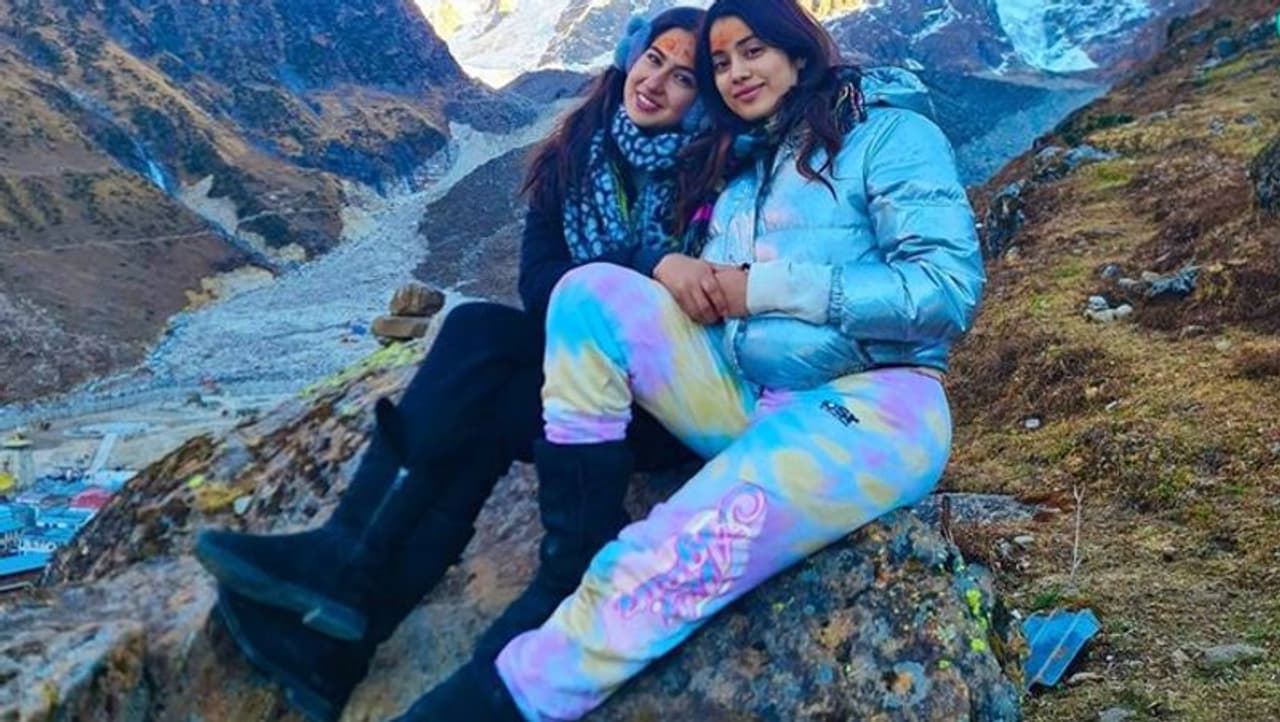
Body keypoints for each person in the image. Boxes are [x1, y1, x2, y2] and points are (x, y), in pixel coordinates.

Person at [391, 0, 986, 719]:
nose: (736, 73)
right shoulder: (741, 166)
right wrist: (682, 278)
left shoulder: (888, 133)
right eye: (722, 63)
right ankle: (571, 551)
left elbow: (945, 290)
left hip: (874, 405)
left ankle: (504, 700)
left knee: (672, 555)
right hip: (752, 390)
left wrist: (759, 288)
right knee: (587, 292)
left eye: (753, 51)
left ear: (799, 51)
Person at [191, 8, 709, 721]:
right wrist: (630, 269)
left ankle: (346, 581)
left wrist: (635, 268)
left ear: (702, 101)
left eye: (684, 78)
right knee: (478, 380)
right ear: (629, 58)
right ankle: (339, 631)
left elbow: (688, 310)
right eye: (654, 59)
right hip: (585, 379)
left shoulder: (709, 174)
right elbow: (540, 288)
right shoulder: (578, 155)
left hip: (661, 404)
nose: (656, 82)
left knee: (476, 348)